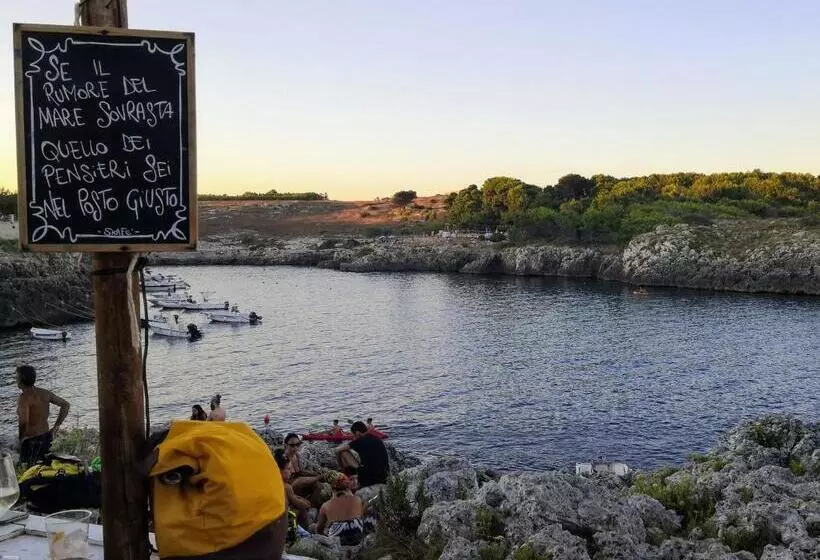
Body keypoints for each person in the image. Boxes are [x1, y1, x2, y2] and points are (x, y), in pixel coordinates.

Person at [15, 365, 70, 466]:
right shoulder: (44, 393)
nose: (15, 380)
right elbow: (65, 405)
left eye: (17, 377)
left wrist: (21, 440)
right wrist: (56, 426)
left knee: (26, 472)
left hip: (31, 442)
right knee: (43, 468)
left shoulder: (24, 399)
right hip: (47, 437)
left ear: (22, 379)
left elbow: (24, 422)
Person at [334, 421, 389, 489]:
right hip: (384, 477)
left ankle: (345, 474)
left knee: (343, 452)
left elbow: (336, 450)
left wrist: (340, 465)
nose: (353, 436)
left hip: (368, 480)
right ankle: (353, 475)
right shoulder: (376, 439)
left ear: (357, 433)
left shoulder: (358, 441)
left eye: (353, 434)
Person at [315, 473, 365, 545]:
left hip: (338, 542)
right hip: (358, 537)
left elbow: (319, 530)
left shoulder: (325, 506)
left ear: (330, 487)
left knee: (314, 528)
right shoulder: (358, 499)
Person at [274, 449, 312, 527]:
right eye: (288, 469)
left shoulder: (273, 482)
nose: (291, 471)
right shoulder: (286, 487)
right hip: (281, 521)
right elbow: (300, 504)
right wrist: (307, 504)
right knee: (301, 510)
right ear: (279, 470)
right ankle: (307, 530)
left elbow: (293, 497)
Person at [282, 433, 322, 498]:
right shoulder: (283, 459)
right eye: (292, 445)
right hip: (289, 487)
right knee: (315, 482)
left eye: (297, 444)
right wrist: (317, 477)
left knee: (318, 484)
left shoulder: (296, 455)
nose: (295, 447)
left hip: (298, 480)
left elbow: (301, 472)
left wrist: (315, 474)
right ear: (286, 445)